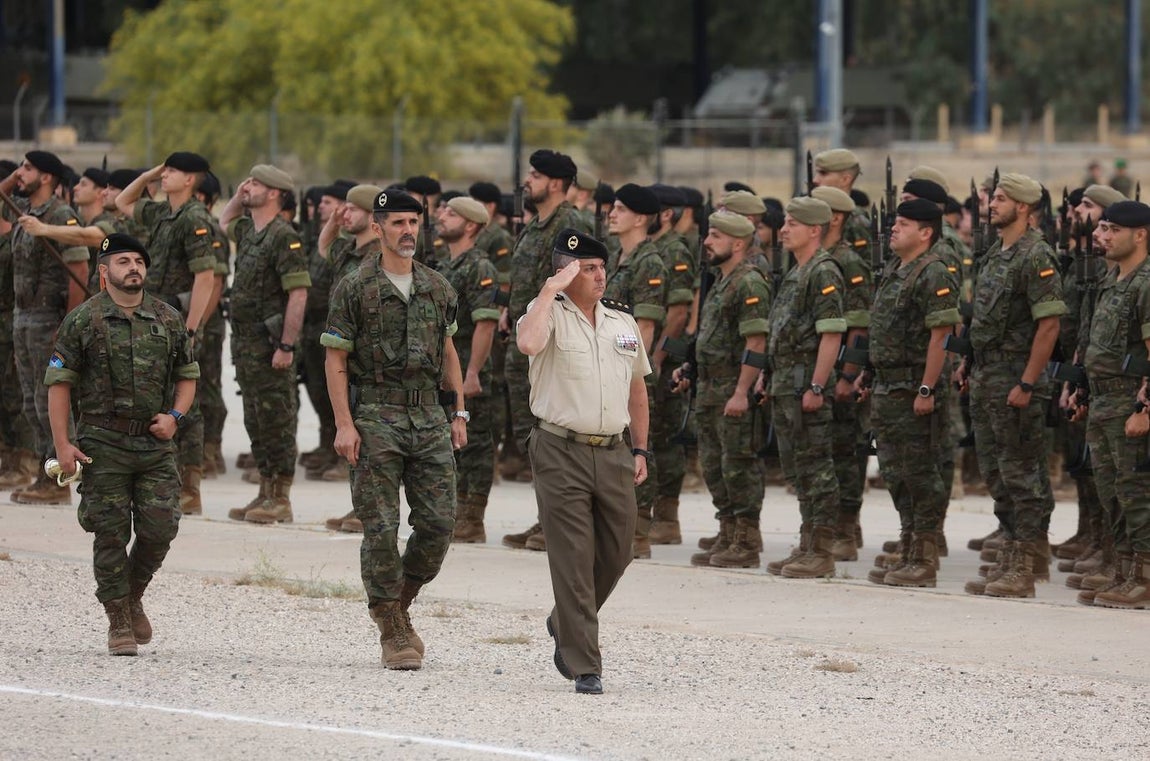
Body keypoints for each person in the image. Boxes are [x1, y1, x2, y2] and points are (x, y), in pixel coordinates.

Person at [322, 188, 467, 670]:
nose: (408, 231)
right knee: (381, 528)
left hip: (429, 419)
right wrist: (344, 424)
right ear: (377, 228)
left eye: (413, 222)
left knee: (440, 524)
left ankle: (399, 601)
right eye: (398, 222)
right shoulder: (354, 286)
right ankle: (391, 626)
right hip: (375, 417)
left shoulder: (437, 287)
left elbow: (449, 351)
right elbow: (335, 358)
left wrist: (459, 412)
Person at [45, 232, 198, 655]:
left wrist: (175, 416)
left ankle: (133, 593)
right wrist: (62, 444)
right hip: (102, 443)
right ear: (104, 271)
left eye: (139, 262)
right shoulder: (83, 320)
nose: (133, 268)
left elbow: (188, 375)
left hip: (153, 444)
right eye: (124, 261)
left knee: (161, 526)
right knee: (110, 533)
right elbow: (59, 384)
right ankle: (118, 620)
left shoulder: (167, 318)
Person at [517, 228, 650, 695]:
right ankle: (584, 664)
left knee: (618, 550)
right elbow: (528, 344)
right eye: (588, 269)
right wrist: (548, 291)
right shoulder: (545, 314)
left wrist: (640, 448)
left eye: (600, 268)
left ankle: (564, 620)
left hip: (613, 451)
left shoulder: (621, 321)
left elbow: (637, 390)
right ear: (565, 273)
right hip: (560, 450)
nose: (599, 276)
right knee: (573, 556)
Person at [957, 173, 1067, 598]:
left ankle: (1025, 562)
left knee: (1021, 473)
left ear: (1023, 207)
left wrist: (1028, 381)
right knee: (996, 471)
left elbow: (1049, 325)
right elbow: (983, 319)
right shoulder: (995, 254)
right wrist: (969, 362)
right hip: (988, 376)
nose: (992, 204)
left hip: (1016, 378)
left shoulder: (1035, 255)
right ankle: (1013, 551)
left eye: (1001, 199)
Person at [864, 200, 960, 587]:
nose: (894, 228)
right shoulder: (896, 269)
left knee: (920, 472)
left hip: (913, 388)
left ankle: (924, 554)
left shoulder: (934, 271)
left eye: (903, 224)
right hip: (889, 387)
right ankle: (908, 544)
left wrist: (926, 388)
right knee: (895, 470)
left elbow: (941, 336)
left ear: (925, 232)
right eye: (895, 223)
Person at [115, 152, 216, 517]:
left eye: (172, 171)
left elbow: (206, 276)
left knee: (187, 404)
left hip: (178, 322)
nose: (165, 175)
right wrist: (151, 173)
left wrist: (191, 328)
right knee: (159, 399)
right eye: (166, 169)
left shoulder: (194, 217)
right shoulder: (163, 212)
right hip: (155, 320)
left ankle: (190, 487)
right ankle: (168, 482)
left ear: (190, 179)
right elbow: (122, 201)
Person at [501, 149, 588, 546]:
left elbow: (574, 287)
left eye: (535, 175)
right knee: (533, 438)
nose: (527, 181)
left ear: (555, 183)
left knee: (553, 438)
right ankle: (547, 518)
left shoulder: (569, 226)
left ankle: (561, 523)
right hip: (527, 340)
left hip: (552, 344)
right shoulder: (536, 226)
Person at [676, 211, 771, 569]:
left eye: (716, 236)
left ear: (738, 243)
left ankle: (746, 540)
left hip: (732, 387)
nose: (707, 241)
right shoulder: (722, 280)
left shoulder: (749, 283)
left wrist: (742, 392)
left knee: (738, 465)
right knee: (715, 465)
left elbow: (756, 342)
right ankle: (728, 532)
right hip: (710, 388)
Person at [217, 164, 310, 524]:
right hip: (246, 345)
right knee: (255, 420)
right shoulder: (250, 231)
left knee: (276, 420)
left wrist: (286, 345)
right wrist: (239, 195)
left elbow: (298, 293)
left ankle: (281, 497)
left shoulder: (283, 236)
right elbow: (224, 222)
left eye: (255, 184)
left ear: (274, 193)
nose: (248, 187)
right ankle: (265, 490)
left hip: (271, 345)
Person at [1071, 200, 1150, 608]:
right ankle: (1124, 569)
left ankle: (1145, 575)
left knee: (1136, 492)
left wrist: (1145, 409)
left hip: (1129, 402)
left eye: (1113, 229)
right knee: (1111, 492)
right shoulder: (1111, 280)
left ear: (1140, 235)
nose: (1103, 235)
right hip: (1104, 400)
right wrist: (1083, 390)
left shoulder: (1146, 283)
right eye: (1103, 227)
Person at [1, 151, 90, 505]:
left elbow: (79, 270)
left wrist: (68, 325)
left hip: (49, 319)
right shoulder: (23, 211)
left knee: (48, 401)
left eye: (28, 168)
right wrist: (14, 178)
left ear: (48, 177)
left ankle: (58, 480)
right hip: (23, 318)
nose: (21, 173)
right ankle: (45, 473)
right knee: (30, 402)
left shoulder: (60, 216)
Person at [764, 197, 847, 579]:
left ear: (815, 230)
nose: (783, 230)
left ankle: (822, 549)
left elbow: (831, 335)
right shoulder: (797, 271)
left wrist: (817, 384)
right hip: (786, 384)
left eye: (792, 224)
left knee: (817, 469)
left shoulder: (822, 271)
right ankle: (808, 542)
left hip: (804, 385)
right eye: (784, 223)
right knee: (798, 469)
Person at [604, 184, 667, 558]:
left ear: (641, 218)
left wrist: (626, 370)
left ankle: (640, 529)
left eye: (620, 209)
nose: (612, 214)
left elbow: (645, 325)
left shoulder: (649, 262)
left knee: (638, 447)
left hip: (629, 371)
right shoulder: (616, 258)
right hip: (609, 368)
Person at [436, 196, 500, 542]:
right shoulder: (445, 264)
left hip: (467, 369)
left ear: (471, 225)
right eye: (443, 210)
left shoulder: (480, 267)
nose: (441, 216)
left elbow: (485, 324)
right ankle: (456, 511)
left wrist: (473, 372)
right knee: (451, 442)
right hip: (446, 369)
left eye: (451, 213)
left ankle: (473, 518)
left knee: (474, 445)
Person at [0, 158, 39, 490]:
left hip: (21, 323)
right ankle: (8, 459)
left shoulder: (23, 226)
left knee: (20, 396)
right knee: (5, 396)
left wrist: (14, 178)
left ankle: (24, 462)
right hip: (9, 326)